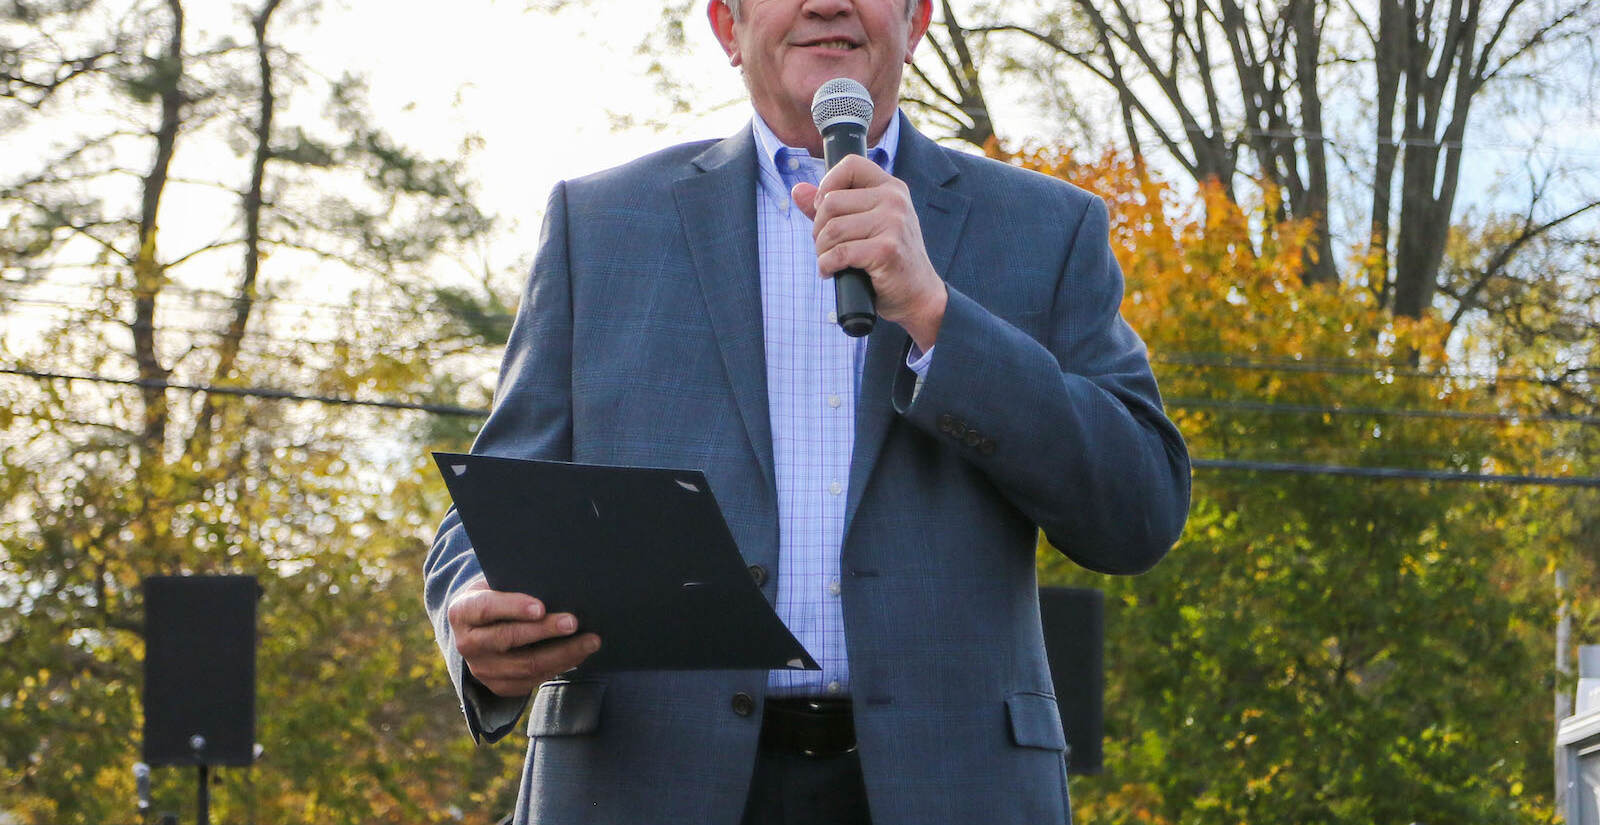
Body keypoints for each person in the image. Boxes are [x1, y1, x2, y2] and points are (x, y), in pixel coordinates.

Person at [423, 0, 1190, 822]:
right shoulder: (601, 226)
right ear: (728, 26)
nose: (827, 3)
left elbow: (1138, 508)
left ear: (917, 17)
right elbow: (488, 516)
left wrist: (937, 314)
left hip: (953, 788)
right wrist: (478, 616)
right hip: (646, 781)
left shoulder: (1047, 228)